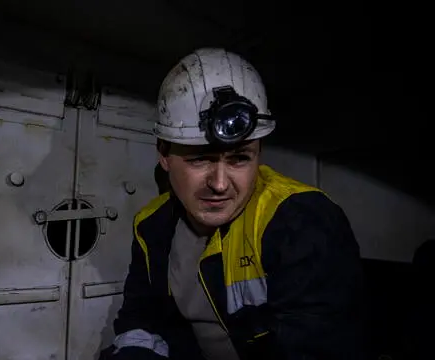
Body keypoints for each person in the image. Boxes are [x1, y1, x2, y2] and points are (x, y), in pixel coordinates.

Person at [99, 48, 365, 360]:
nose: (220, 184)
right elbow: (141, 319)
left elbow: (319, 348)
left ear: (259, 153)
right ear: (164, 154)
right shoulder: (152, 226)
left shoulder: (302, 221)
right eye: (200, 159)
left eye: (239, 158)